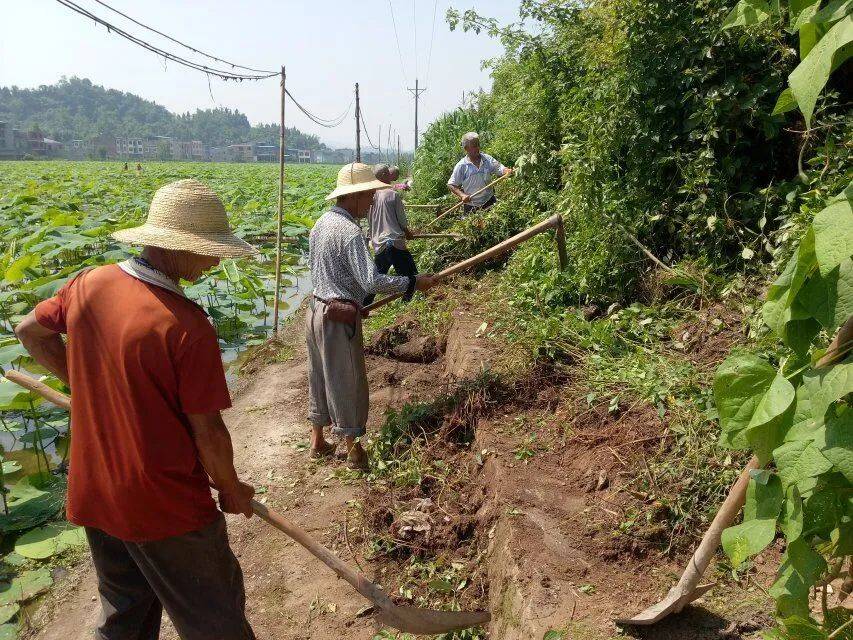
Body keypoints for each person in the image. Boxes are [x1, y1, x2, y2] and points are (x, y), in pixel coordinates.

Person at [14, 179, 257, 640]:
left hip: (96, 489)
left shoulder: (88, 284)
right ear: (176, 249)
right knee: (215, 620)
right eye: (210, 250)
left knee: (124, 615)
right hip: (163, 505)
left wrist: (88, 389)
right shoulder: (186, 327)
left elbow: (31, 331)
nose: (216, 260)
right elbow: (208, 432)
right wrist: (230, 487)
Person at [307, 163, 435, 468]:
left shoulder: (320, 223)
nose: (372, 201)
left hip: (315, 312)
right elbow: (372, 281)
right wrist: (413, 281)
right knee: (346, 380)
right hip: (337, 319)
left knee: (319, 377)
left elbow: (322, 271)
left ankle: (317, 441)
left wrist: (350, 297)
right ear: (352, 197)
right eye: (367, 195)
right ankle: (353, 450)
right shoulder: (350, 232)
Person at [364, 164, 420, 305]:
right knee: (411, 275)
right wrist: (408, 233)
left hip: (379, 244)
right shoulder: (392, 194)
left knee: (376, 279)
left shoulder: (369, 197)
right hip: (394, 242)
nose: (391, 176)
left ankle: (363, 306)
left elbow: (370, 222)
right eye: (388, 174)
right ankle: (408, 304)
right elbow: (402, 221)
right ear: (383, 176)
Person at [447, 132, 512, 213]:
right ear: (466, 149)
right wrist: (462, 195)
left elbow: (499, 168)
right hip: (472, 206)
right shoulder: (462, 166)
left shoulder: (487, 159)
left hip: (489, 201)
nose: (477, 148)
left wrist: (506, 170)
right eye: (474, 146)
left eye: (478, 145)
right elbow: (451, 184)